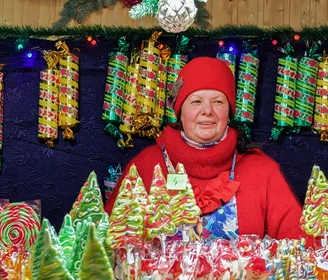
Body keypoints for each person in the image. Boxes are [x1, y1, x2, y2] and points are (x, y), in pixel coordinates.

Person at [105, 56, 304, 240]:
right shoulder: (147, 165)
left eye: (218, 102)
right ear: (180, 112)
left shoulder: (262, 171)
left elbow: (300, 246)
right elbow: (108, 240)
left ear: (229, 112)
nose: (207, 111)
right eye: (196, 101)